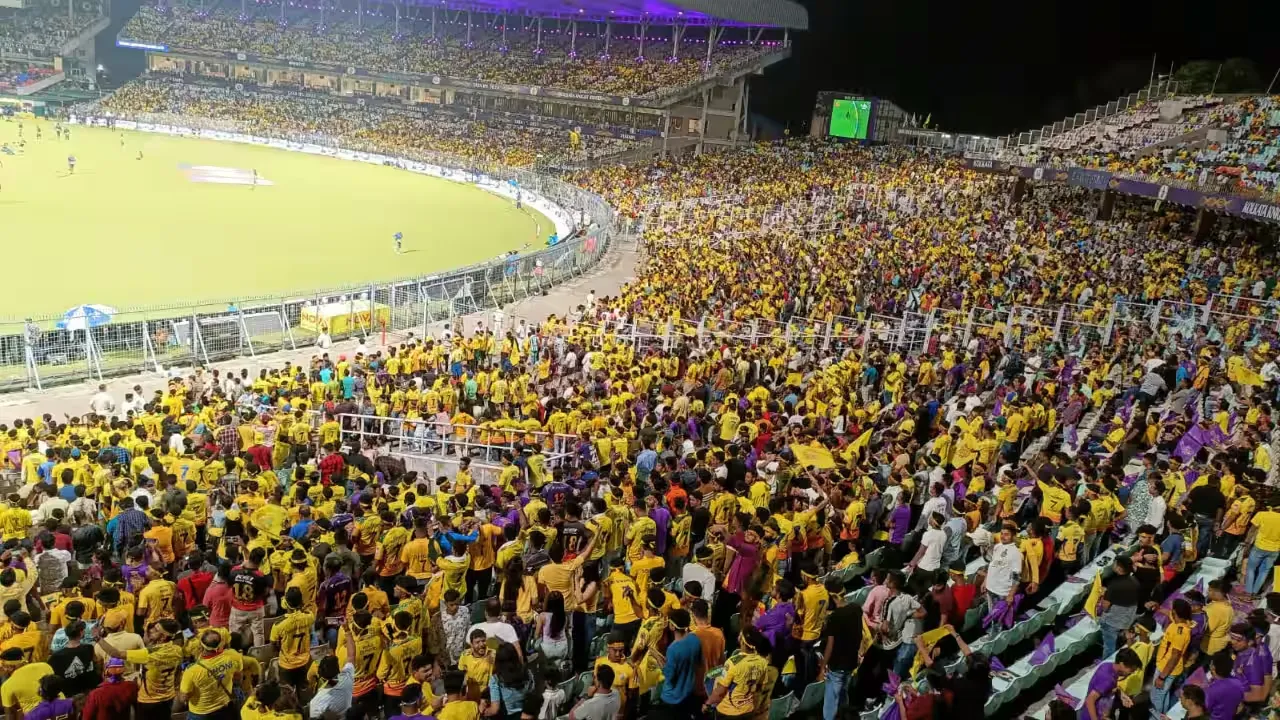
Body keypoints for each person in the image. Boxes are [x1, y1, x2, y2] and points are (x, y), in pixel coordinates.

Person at [310, 617, 358, 719]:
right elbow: (351, 655)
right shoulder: (347, 681)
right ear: (338, 669)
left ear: (320, 672)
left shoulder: (317, 701)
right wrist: (346, 629)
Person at [657, 609, 700, 718]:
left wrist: (658, 658)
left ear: (672, 626)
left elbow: (669, 675)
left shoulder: (673, 649)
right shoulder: (695, 639)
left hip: (672, 698)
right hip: (688, 693)